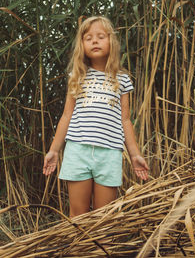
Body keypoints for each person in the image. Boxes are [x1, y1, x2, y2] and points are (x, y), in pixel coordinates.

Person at [43, 16, 149, 218]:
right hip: (78, 151)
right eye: (88, 38)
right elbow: (67, 115)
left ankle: (100, 251)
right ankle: (78, 250)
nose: (94, 41)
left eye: (101, 36)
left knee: (104, 218)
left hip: (109, 155)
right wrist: (54, 150)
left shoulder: (122, 79)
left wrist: (135, 155)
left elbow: (126, 120)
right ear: (81, 45)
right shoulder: (78, 76)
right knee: (78, 216)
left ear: (112, 43)